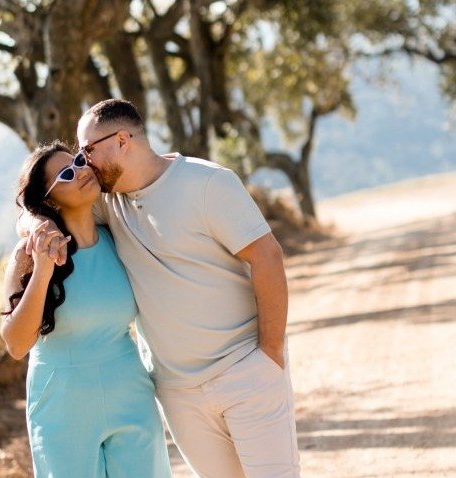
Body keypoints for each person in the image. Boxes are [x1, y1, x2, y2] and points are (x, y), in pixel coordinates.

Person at [23, 99, 301, 477]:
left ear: (122, 140)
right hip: (177, 393)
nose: (84, 163)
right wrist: (36, 224)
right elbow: (44, 204)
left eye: (88, 151)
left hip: (245, 372)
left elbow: (267, 256)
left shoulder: (208, 183)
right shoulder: (107, 203)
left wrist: (269, 354)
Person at [0, 141, 173, 478]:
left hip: (130, 393)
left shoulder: (120, 237)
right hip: (63, 404)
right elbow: (17, 344)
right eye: (66, 174)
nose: (80, 171)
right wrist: (43, 269)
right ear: (50, 200)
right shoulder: (27, 255)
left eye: (79, 161)